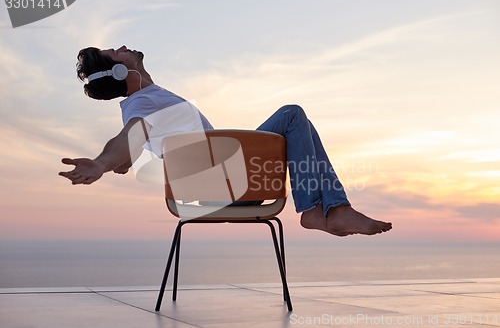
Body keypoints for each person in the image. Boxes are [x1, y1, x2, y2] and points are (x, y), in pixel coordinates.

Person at [59, 45, 392, 237]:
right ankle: (322, 210)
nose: (123, 47)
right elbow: (129, 137)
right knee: (292, 115)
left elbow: (131, 149)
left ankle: (328, 210)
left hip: (223, 182)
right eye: (115, 52)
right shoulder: (142, 104)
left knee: (298, 121)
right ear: (119, 72)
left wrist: (120, 161)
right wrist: (103, 162)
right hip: (228, 187)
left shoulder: (151, 97)